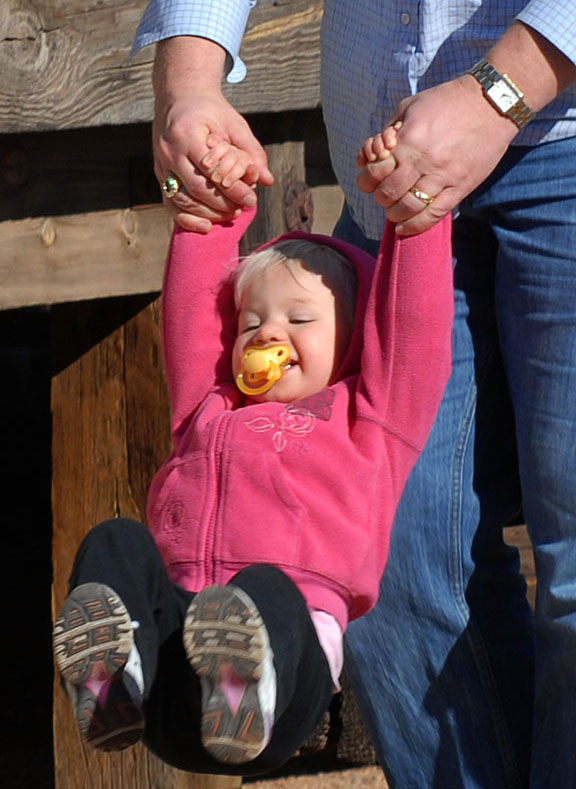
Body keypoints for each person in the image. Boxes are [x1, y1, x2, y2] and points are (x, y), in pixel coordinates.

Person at [132, 2, 576, 786]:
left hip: (561, 143)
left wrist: (494, 94)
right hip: (389, 167)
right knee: (384, 569)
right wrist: (187, 85)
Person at [53, 153, 454, 775]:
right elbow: (193, 317)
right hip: (171, 689)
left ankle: (244, 683)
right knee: (116, 541)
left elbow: (412, 328)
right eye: (251, 322)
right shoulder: (206, 411)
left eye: (299, 319)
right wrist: (206, 221)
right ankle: (113, 684)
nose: (268, 334)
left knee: (266, 587)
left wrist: (418, 215)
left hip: (285, 690)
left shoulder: (370, 420)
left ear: (352, 340)